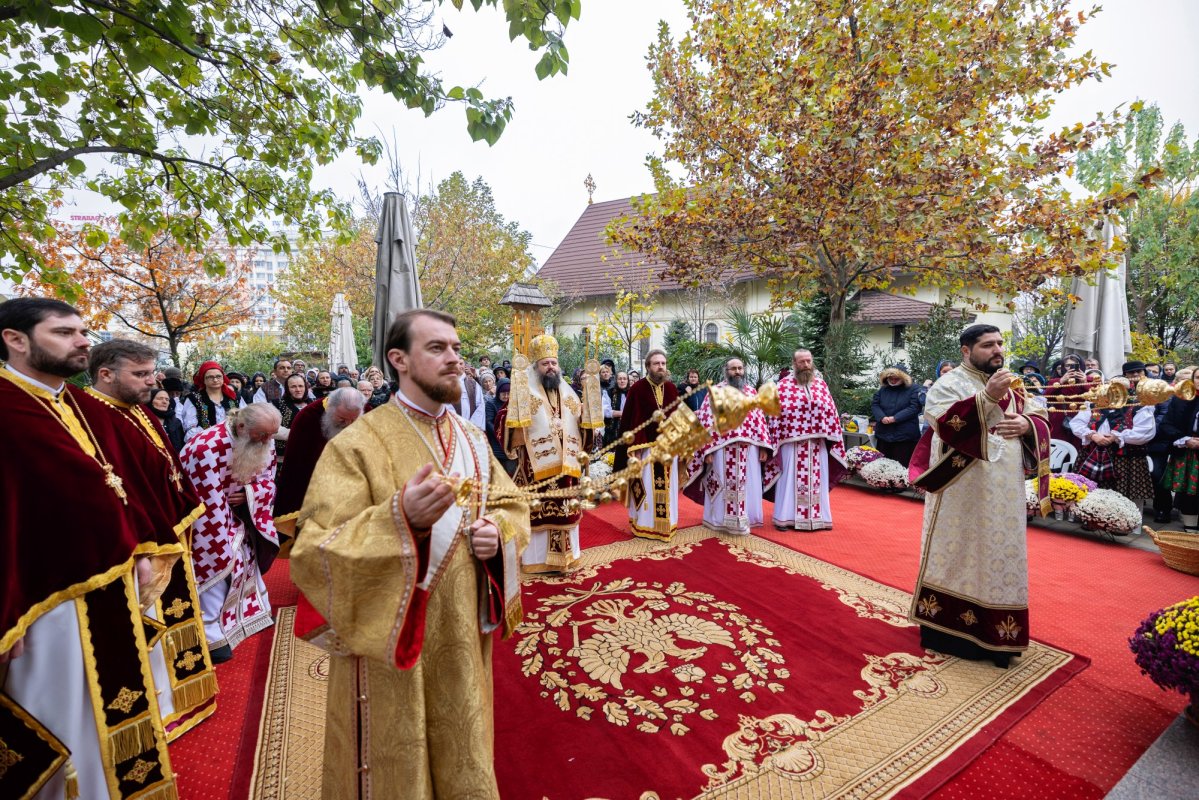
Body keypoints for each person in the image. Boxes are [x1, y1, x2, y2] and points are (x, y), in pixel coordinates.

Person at [290, 309, 529, 798]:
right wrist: (399, 519)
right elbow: (314, 548)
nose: (454, 360)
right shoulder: (357, 443)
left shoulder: (474, 439)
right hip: (390, 637)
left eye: (457, 349)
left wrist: (498, 532)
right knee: (397, 754)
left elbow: (512, 504)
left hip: (462, 627)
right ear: (398, 359)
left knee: (463, 733)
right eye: (437, 349)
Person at [0, 298, 182, 798]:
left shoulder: (75, 402)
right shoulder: (6, 405)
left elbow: (115, 484)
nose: (82, 340)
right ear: (16, 340)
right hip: (42, 600)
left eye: (82, 331)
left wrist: (142, 548)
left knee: (109, 706)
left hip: (110, 585)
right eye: (64, 332)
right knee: (59, 717)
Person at [85, 340, 218, 739]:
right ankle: (159, 705)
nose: (153, 381)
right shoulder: (93, 415)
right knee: (147, 626)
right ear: (105, 375)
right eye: (140, 374)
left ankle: (180, 695)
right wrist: (142, 543)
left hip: (165, 532)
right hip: (139, 544)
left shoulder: (138, 411)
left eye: (151, 372)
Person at [908, 324, 1051, 668]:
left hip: (1004, 493)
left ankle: (996, 634)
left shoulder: (1012, 385)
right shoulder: (950, 384)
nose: (997, 350)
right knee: (959, 552)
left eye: (1000, 344)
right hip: (963, 492)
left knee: (1000, 555)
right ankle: (946, 629)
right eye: (988, 345)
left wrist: (1027, 426)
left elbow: (1039, 416)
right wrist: (986, 397)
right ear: (966, 350)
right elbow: (945, 423)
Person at [180, 403, 282, 663]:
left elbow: (267, 480)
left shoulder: (263, 438)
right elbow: (204, 501)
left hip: (241, 515)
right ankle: (213, 635)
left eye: (272, 435)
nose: (269, 443)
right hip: (209, 519)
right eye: (263, 436)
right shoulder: (205, 448)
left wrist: (249, 495)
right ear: (241, 427)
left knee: (247, 562)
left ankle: (251, 614)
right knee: (218, 564)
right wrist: (222, 534)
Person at [502, 335, 598, 573]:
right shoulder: (525, 393)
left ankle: (568, 557)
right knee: (540, 510)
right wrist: (514, 420)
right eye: (545, 363)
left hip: (567, 466)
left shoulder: (569, 395)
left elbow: (581, 426)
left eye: (554, 363)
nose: (551, 367)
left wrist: (588, 419)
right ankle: (535, 561)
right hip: (537, 469)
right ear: (536, 367)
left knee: (566, 509)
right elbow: (506, 422)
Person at [683, 357, 772, 534]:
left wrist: (763, 446)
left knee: (746, 486)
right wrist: (705, 450)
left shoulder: (751, 392)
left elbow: (759, 420)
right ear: (726, 371)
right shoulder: (715, 391)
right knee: (719, 484)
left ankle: (743, 519)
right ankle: (717, 519)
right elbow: (706, 421)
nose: (737, 372)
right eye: (733, 369)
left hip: (748, 449)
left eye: (740, 368)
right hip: (721, 449)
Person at [272, 387, 367, 549]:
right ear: (330, 408)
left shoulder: (368, 413)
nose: (348, 425)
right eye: (342, 419)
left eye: (353, 420)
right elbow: (297, 464)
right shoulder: (307, 417)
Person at [764, 349, 848, 531]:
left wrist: (820, 425)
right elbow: (778, 414)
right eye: (801, 362)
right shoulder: (783, 386)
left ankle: (819, 517)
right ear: (794, 364)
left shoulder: (820, 385)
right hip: (792, 444)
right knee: (789, 481)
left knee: (818, 481)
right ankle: (784, 518)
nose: (806, 365)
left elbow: (831, 412)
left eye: (808, 361)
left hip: (817, 445)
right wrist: (800, 422)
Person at [1069, 360, 1156, 512]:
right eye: (1113, 387)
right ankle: (1090, 517)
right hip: (1094, 451)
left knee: (1125, 494)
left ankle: (1123, 523)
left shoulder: (1141, 404)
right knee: (1092, 489)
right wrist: (1092, 435)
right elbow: (1077, 423)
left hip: (1127, 456)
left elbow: (1146, 432)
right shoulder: (1094, 402)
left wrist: (1116, 437)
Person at [615, 350, 681, 540]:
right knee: (647, 489)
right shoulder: (637, 389)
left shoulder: (671, 389)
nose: (661, 367)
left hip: (669, 449)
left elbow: (677, 418)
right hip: (645, 450)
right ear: (648, 366)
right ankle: (645, 526)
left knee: (668, 489)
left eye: (663, 363)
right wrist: (635, 449)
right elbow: (631, 421)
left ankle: (667, 524)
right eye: (656, 363)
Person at [179, 360, 246, 441]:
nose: (215, 380)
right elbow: (190, 427)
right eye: (210, 377)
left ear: (223, 378)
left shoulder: (234, 396)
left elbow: (245, 419)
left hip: (234, 442)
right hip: (206, 444)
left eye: (218, 376)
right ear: (203, 379)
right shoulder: (194, 399)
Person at [870, 365, 924, 466]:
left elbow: (915, 407)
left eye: (896, 379)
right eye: (891, 378)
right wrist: (882, 417)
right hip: (884, 434)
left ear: (904, 378)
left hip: (904, 436)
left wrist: (895, 418)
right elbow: (875, 404)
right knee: (882, 465)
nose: (893, 381)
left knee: (901, 466)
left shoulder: (914, 388)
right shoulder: (883, 389)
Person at [486, 377, 516, 476]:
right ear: (498, 392)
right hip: (497, 443)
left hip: (512, 444)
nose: (506, 396)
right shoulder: (491, 404)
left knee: (512, 473)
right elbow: (488, 421)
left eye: (508, 393)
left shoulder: (514, 404)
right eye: (503, 393)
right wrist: (501, 434)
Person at [150, 387, 187, 452]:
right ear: (151, 401)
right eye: (160, 399)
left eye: (167, 399)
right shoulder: (144, 419)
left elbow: (182, 446)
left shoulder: (176, 422)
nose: (164, 402)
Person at [455, 356, 486, 428]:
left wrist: (472, 425)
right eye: (456, 363)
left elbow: (480, 405)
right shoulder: (446, 383)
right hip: (453, 425)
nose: (459, 366)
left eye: (461, 363)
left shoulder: (473, 384)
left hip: (471, 425)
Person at [606, 370, 630, 445]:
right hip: (612, 431)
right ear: (616, 380)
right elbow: (606, 412)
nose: (622, 381)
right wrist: (625, 413)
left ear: (627, 381)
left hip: (629, 430)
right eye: (620, 379)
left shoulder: (633, 392)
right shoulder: (609, 392)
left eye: (624, 379)